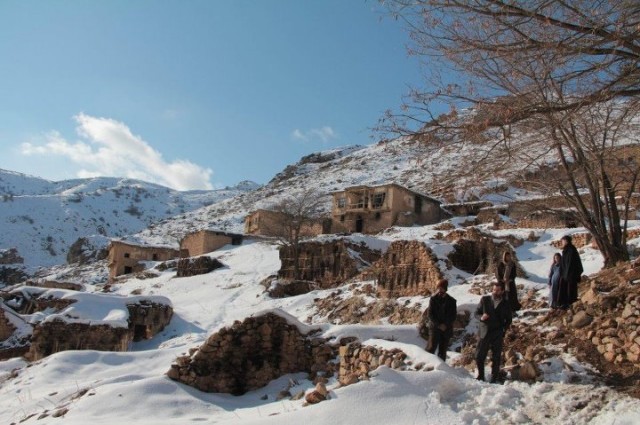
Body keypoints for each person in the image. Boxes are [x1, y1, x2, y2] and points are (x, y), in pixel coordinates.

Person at [475, 281, 512, 383]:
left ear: (502, 291)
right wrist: (481, 317)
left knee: (496, 357)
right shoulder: (485, 300)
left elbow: (509, 319)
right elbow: (476, 313)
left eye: (498, 290)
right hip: (484, 331)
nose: (495, 292)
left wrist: (504, 329)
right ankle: (480, 376)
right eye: (494, 290)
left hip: (497, 332)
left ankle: (494, 377)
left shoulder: (505, 303)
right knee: (479, 356)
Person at [426, 279, 457, 361]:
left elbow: (453, 316)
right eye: (438, 288)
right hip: (435, 328)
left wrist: (445, 325)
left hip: (446, 329)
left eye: (441, 288)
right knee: (431, 348)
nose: (439, 290)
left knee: (442, 351)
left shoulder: (452, 301)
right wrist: (439, 325)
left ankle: (441, 371)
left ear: (445, 289)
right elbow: (430, 314)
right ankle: (427, 365)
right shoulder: (433, 299)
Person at [558, 235, 584, 309]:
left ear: (566, 241)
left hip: (570, 275)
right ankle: (565, 303)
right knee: (565, 289)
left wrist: (567, 274)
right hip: (566, 274)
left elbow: (570, 264)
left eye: (562, 241)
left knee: (570, 290)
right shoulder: (567, 250)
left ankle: (570, 304)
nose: (562, 243)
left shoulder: (570, 250)